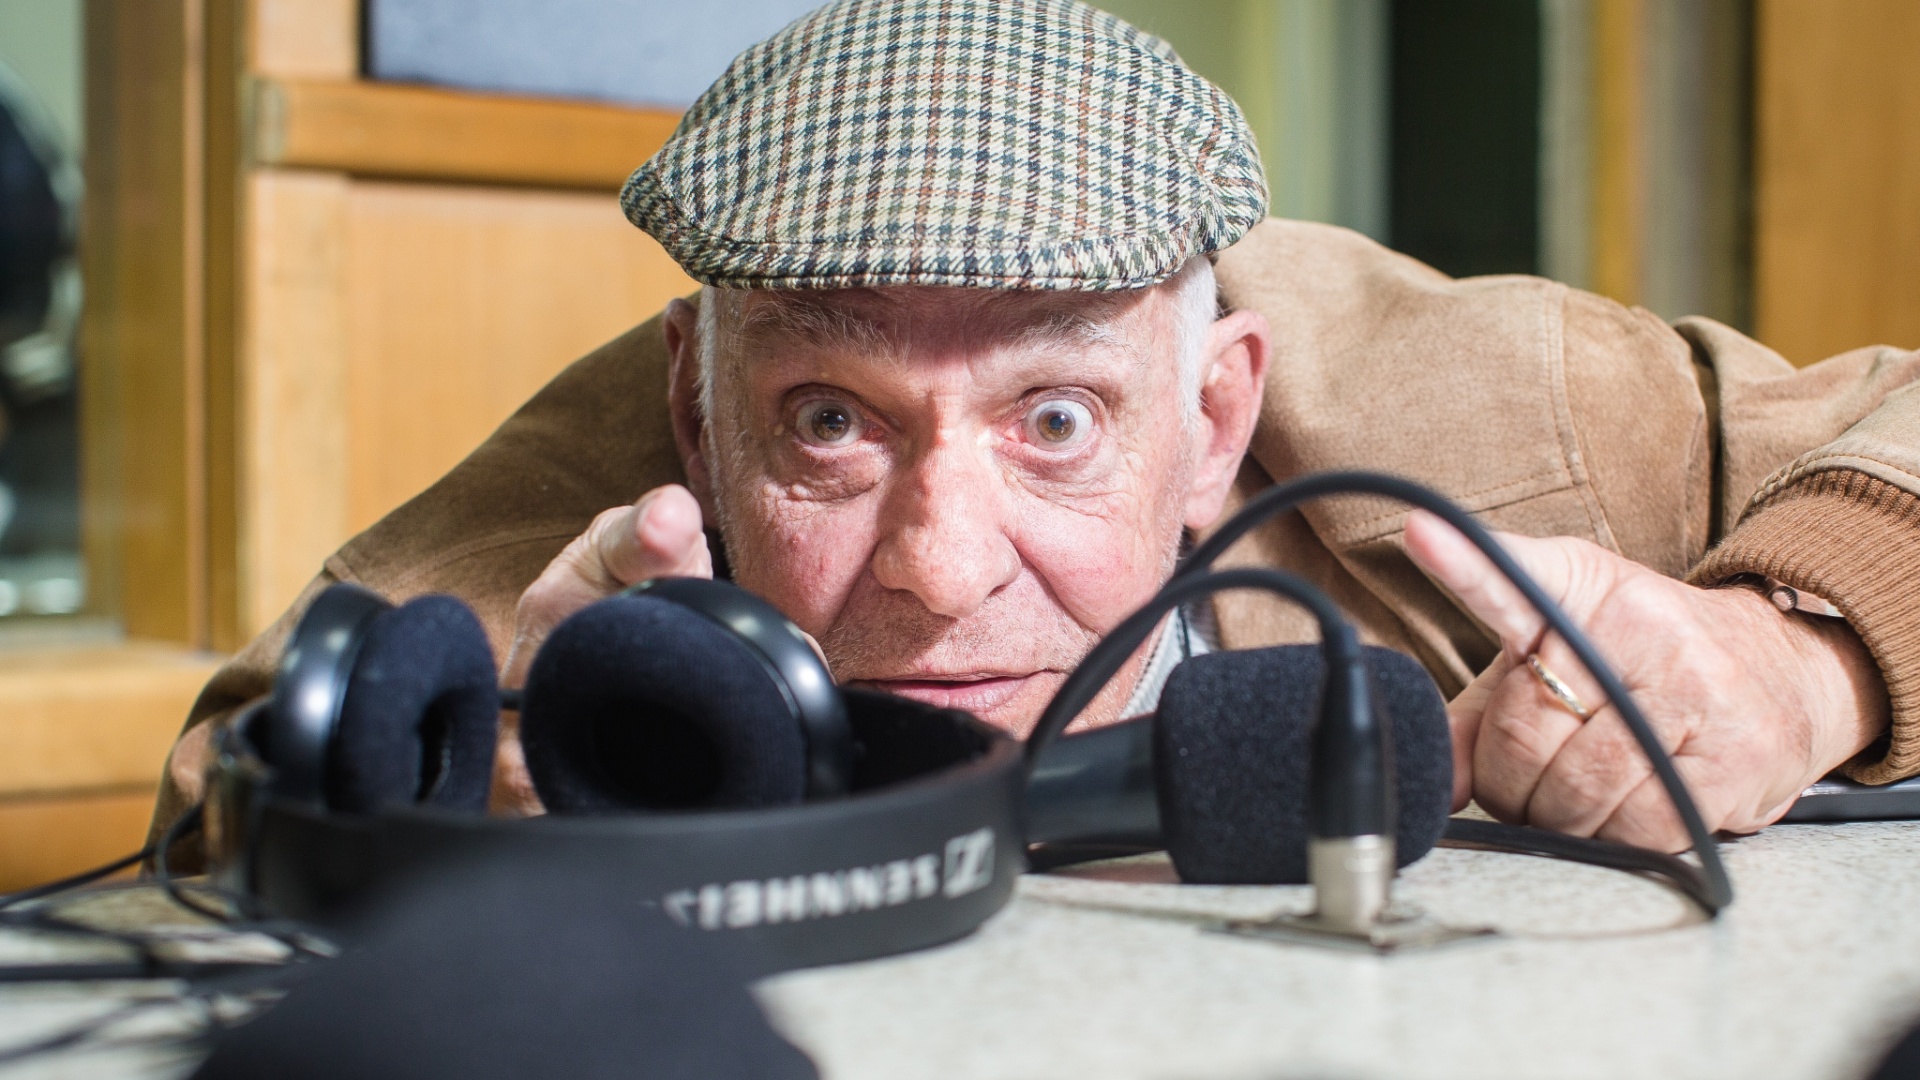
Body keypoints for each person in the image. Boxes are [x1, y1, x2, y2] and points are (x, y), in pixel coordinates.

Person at [152, 0, 1920, 862]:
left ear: (1217, 409)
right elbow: (240, 777)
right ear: (700, 403)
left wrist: (1797, 652)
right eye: (831, 423)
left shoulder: (1489, 400)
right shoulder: (616, 476)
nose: (934, 571)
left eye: (1057, 417)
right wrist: (470, 820)